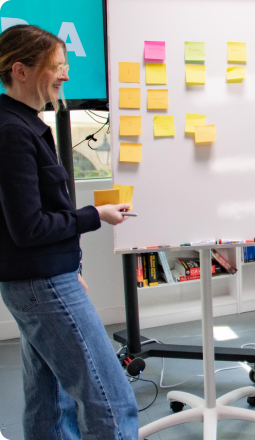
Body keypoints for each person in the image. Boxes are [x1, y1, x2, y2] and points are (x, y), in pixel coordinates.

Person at [0, 25, 138, 439]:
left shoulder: (22, 123)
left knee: (50, 402)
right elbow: (30, 228)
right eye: (57, 67)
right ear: (20, 70)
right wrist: (95, 214)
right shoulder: (11, 131)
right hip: (42, 282)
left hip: (39, 280)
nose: (65, 76)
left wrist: (69, 263)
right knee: (111, 402)